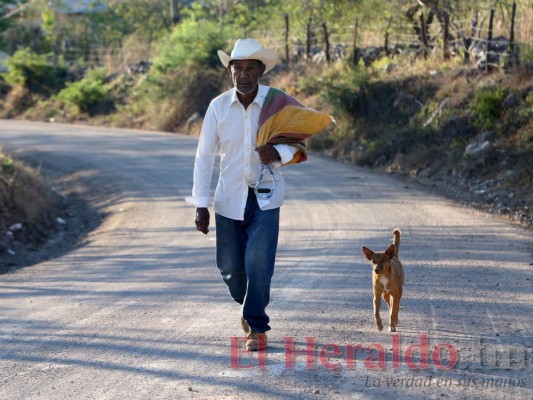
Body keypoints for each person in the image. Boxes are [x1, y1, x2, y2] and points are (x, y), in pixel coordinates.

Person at [186, 38, 331, 351]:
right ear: (230, 71)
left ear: (261, 71)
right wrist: (200, 205)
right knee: (230, 269)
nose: (243, 74)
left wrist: (276, 151)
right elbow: (204, 156)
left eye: (250, 68)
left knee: (258, 264)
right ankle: (250, 305)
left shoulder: (278, 103)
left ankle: (256, 327)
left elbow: (298, 145)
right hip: (228, 199)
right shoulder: (217, 106)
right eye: (237, 67)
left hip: (266, 198)